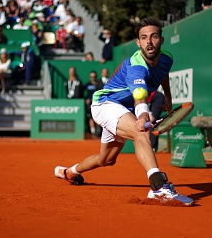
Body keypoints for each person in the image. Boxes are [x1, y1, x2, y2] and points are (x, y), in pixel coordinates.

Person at [54, 17, 193, 206]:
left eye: (153, 37)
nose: (149, 42)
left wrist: (168, 96)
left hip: (124, 109)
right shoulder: (136, 66)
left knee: (106, 160)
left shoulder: (167, 58)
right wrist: (143, 114)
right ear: (138, 42)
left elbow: (163, 73)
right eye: (144, 38)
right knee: (140, 133)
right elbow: (140, 94)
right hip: (105, 104)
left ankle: (70, 172)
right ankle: (159, 187)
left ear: (161, 39)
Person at [84, 70, 104, 136]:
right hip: (90, 103)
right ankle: (92, 131)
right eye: (91, 77)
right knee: (90, 117)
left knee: (98, 116)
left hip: (98, 102)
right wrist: (86, 98)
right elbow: (83, 92)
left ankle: (98, 131)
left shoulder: (99, 83)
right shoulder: (87, 84)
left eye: (94, 77)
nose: (93, 78)